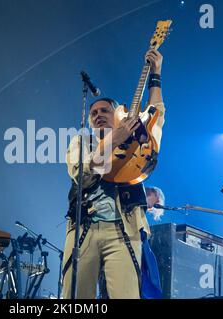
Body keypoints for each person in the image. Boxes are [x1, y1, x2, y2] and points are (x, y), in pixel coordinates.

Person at [62, 48, 166, 299]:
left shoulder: (134, 140)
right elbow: (82, 174)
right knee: (77, 299)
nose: (98, 115)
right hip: (84, 229)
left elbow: (156, 113)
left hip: (124, 230)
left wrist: (156, 73)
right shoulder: (82, 141)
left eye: (104, 111)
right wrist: (112, 141)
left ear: (117, 116)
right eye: (93, 113)